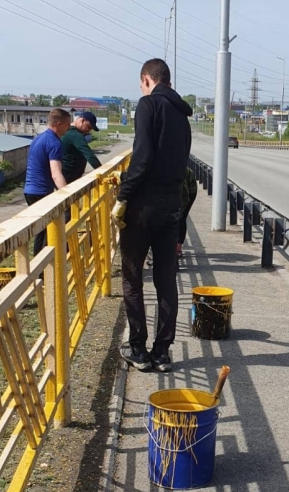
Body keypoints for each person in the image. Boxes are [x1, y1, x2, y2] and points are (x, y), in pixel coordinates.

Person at [113, 58, 192, 372]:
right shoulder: (183, 116)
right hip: (171, 206)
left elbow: (142, 157)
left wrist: (123, 195)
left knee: (133, 278)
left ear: (147, 79)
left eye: (141, 84)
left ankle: (137, 349)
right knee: (166, 280)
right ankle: (162, 352)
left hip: (143, 208)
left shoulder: (148, 105)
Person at [24, 107, 71, 254]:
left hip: (29, 191)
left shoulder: (38, 138)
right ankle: (44, 263)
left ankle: (40, 262)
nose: (69, 128)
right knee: (47, 230)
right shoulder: (54, 143)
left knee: (42, 230)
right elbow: (56, 173)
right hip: (41, 192)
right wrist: (69, 195)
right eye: (67, 124)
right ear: (59, 124)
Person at [62, 110, 102, 183]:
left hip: (69, 175)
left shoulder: (68, 131)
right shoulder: (74, 135)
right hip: (68, 177)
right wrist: (103, 171)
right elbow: (89, 155)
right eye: (88, 127)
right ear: (82, 121)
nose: (88, 131)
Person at [178, 165, 198, 262]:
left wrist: (184, 209)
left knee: (181, 218)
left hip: (187, 194)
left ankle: (178, 247)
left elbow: (190, 192)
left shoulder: (186, 173)